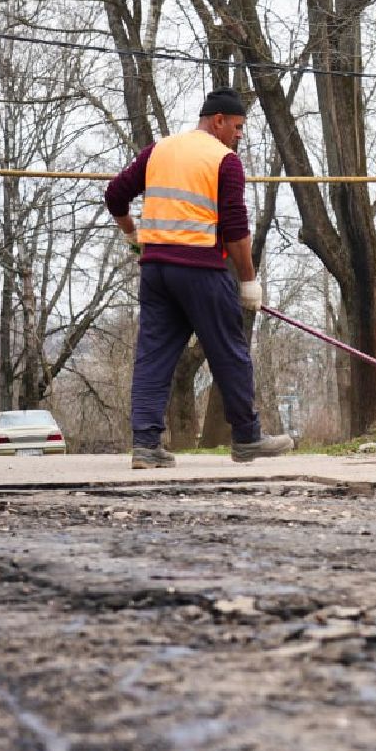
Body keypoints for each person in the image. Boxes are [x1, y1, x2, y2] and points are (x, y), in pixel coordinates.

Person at [105, 86, 293, 469]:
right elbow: (236, 227)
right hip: (201, 270)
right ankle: (246, 437)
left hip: (156, 272)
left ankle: (145, 445)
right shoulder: (224, 161)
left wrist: (132, 235)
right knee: (229, 351)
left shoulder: (158, 151)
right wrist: (248, 280)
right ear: (218, 121)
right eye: (238, 127)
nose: (240, 135)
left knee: (153, 356)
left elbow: (114, 195)